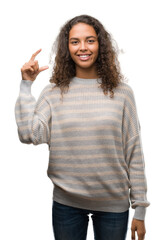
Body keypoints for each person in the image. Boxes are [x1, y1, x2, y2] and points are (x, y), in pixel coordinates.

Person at [15, 14, 150, 240]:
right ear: (67, 47)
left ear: (100, 45)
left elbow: (133, 150)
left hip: (113, 205)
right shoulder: (52, 92)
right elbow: (29, 134)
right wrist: (26, 85)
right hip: (66, 204)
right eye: (75, 41)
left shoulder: (122, 92)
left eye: (90, 40)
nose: (83, 48)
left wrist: (141, 208)